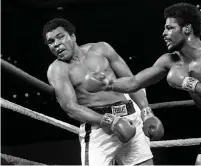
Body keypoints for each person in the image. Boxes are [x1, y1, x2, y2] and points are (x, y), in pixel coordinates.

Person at [97, 2, 201, 165]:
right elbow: (134, 82)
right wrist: (107, 84)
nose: (164, 33)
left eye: (170, 28)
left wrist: (186, 82)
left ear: (187, 28)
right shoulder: (169, 61)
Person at [43, 18, 164, 166]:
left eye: (60, 37)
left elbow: (131, 82)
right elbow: (71, 108)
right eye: (51, 42)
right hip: (98, 128)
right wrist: (110, 121)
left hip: (130, 118)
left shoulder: (101, 49)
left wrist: (146, 112)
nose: (56, 44)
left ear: (73, 37)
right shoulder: (57, 70)